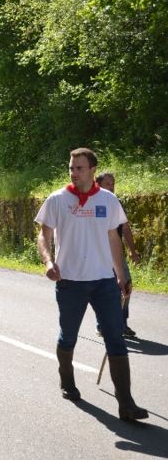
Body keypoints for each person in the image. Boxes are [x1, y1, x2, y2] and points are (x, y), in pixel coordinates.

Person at [35, 147, 147, 421]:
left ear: (92, 170)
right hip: (70, 281)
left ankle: (126, 403)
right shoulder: (58, 199)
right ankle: (67, 380)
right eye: (71, 168)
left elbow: (113, 239)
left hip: (104, 282)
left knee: (115, 338)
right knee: (68, 336)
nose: (74, 172)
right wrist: (48, 262)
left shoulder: (108, 200)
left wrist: (121, 275)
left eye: (79, 168)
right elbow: (43, 235)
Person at [95, 172, 141, 337]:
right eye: (108, 183)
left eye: (113, 183)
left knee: (125, 286)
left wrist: (132, 250)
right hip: (99, 254)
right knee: (103, 290)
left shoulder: (115, 202)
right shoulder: (91, 203)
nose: (112, 186)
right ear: (98, 184)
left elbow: (126, 228)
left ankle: (122, 324)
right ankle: (102, 325)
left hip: (116, 253)